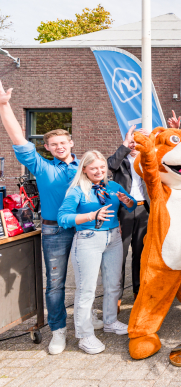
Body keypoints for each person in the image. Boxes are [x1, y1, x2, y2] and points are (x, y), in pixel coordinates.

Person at [0, 80, 85, 355]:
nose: (59, 147)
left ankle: (86, 321)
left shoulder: (86, 167)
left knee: (88, 279)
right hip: (54, 231)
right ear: (47, 147)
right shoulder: (43, 166)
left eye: (63, 142)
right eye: (53, 144)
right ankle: (58, 330)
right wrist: (4, 106)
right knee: (56, 283)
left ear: (71, 143)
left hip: (86, 230)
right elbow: (18, 139)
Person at [57, 151, 137, 354]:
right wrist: (91, 215)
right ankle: (84, 336)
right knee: (87, 290)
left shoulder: (113, 187)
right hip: (88, 240)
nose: (99, 172)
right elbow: (63, 218)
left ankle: (110, 321)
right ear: (84, 169)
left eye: (102, 168)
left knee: (113, 284)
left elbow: (132, 204)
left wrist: (127, 202)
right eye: (94, 168)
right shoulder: (77, 190)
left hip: (113, 238)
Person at [107, 125, 151, 311]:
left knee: (140, 255)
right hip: (124, 211)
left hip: (144, 210)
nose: (135, 144)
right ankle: (116, 296)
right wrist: (125, 145)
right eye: (133, 141)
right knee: (120, 254)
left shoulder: (147, 160)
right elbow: (111, 165)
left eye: (138, 140)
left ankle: (138, 292)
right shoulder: (121, 159)